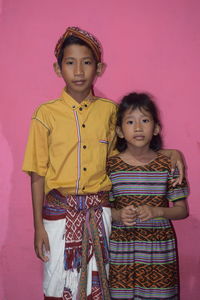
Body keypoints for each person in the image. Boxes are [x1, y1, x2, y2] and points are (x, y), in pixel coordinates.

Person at [22, 27, 185, 300]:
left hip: (102, 217)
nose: (78, 71)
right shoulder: (45, 115)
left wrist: (170, 152)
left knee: (99, 289)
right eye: (70, 62)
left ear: (99, 68)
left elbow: (129, 148)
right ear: (57, 68)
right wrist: (38, 227)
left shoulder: (110, 112)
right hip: (58, 217)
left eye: (86, 63)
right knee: (56, 286)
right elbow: (37, 174)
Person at [107, 92, 189, 300]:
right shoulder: (110, 166)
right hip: (120, 250)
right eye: (130, 121)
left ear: (156, 128)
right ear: (120, 131)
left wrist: (157, 211)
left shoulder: (168, 165)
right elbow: (101, 210)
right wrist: (117, 215)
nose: (138, 127)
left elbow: (182, 210)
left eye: (145, 120)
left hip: (158, 252)